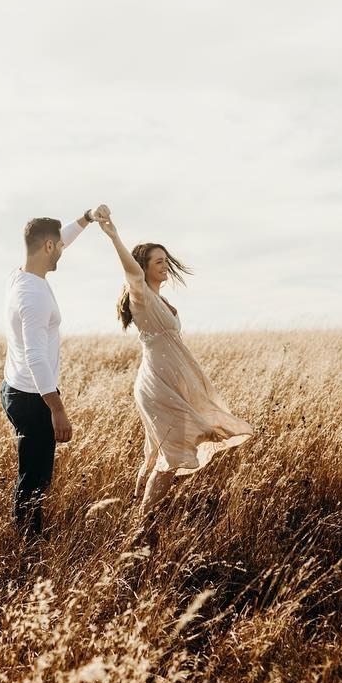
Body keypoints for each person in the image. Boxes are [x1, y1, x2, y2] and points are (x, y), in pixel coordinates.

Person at [97, 213, 254, 519]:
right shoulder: (140, 297)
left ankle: (136, 515)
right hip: (157, 384)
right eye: (158, 261)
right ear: (143, 268)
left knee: (158, 452)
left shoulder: (161, 300)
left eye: (165, 260)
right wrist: (114, 236)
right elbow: (130, 271)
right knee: (171, 454)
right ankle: (142, 526)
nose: (165, 265)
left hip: (171, 382)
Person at [0, 205, 109, 540]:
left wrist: (88, 218)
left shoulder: (22, 275)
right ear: (48, 247)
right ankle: (28, 545)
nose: (63, 248)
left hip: (16, 388)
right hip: (33, 398)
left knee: (33, 473)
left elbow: (62, 238)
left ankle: (28, 535)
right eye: (58, 245)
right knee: (35, 478)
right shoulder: (33, 295)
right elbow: (35, 356)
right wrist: (57, 408)